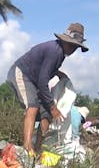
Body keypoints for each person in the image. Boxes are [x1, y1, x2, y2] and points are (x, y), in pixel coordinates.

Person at [7, 22, 89, 155]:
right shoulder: (54, 51)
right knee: (33, 105)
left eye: (76, 47)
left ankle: (37, 149)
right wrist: (53, 107)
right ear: (65, 41)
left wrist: (58, 73)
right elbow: (42, 82)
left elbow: (47, 68)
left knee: (47, 115)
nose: (73, 49)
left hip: (34, 81)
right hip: (21, 73)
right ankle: (27, 147)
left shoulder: (60, 54)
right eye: (72, 45)